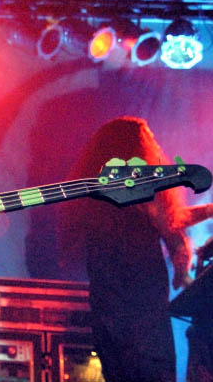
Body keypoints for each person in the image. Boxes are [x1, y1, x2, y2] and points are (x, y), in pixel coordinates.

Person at [56, 116, 212, 382]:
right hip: (143, 310)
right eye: (149, 138)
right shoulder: (144, 182)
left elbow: (164, 218)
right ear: (136, 147)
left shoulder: (94, 192)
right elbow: (169, 220)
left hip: (107, 310)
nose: (155, 144)